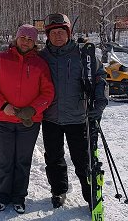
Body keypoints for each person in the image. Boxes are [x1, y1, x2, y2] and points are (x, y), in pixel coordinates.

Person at [0, 24, 54, 214]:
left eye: (30, 39)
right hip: (3, 120)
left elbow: (48, 93)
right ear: (16, 38)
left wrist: (32, 109)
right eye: (23, 37)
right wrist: (4, 106)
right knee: (5, 160)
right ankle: (2, 196)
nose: (26, 42)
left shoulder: (40, 64)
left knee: (23, 160)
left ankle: (18, 197)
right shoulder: (1, 59)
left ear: (34, 43)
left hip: (28, 123)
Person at [39, 13, 108, 210]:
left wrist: (100, 104)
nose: (58, 36)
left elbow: (99, 77)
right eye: (53, 33)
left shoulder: (84, 54)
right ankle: (58, 190)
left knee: (82, 160)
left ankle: (90, 195)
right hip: (50, 117)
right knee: (54, 159)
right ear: (47, 35)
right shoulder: (42, 57)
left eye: (62, 32)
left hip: (78, 117)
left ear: (69, 33)